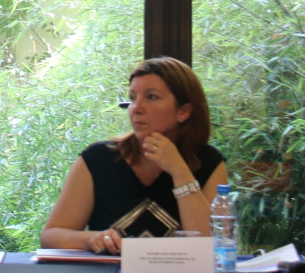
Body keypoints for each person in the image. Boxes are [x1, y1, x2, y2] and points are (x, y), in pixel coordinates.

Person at [41, 57, 228, 254]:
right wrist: (91, 239)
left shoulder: (208, 162)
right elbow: (50, 236)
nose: (136, 108)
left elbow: (210, 248)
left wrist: (179, 170)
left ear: (183, 111)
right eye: (133, 98)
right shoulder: (99, 159)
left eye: (152, 97)